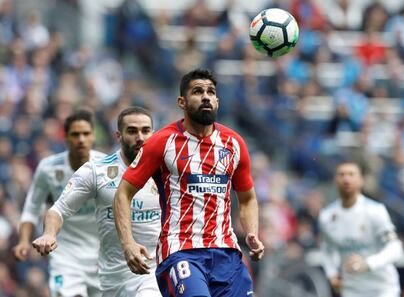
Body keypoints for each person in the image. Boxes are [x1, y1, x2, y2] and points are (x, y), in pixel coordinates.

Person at [113, 68, 264, 297]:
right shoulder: (162, 142)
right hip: (181, 251)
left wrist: (252, 231)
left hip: (227, 254)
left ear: (217, 101)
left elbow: (247, 198)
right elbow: (123, 193)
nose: (206, 96)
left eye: (211, 92)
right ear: (182, 102)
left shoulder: (234, 144)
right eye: (197, 91)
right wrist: (128, 243)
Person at [32, 107, 162, 297]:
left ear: (153, 133)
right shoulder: (96, 171)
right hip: (111, 279)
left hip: (153, 272)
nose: (140, 137)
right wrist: (49, 234)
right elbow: (58, 210)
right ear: (118, 135)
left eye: (146, 130)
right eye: (132, 131)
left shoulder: (167, 171)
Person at [13, 109, 105, 297]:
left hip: (101, 255)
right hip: (65, 254)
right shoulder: (48, 168)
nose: (81, 139)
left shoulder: (106, 166)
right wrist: (23, 241)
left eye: (86, 134)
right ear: (66, 137)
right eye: (75, 134)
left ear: (93, 136)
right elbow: (31, 208)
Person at [319, 161, 403, 297]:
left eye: (351, 174)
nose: (346, 179)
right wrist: (332, 274)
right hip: (352, 290)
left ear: (360, 181)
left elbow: (395, 249)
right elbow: (327, 249)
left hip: (382, 289)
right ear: (335, 180)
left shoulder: (375, 211)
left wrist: (368, 263)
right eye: (342, 175)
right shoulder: (327, 216)